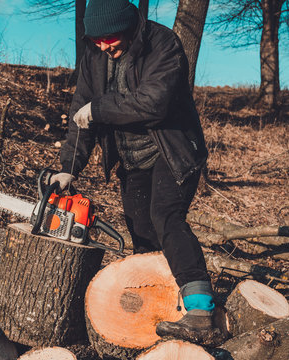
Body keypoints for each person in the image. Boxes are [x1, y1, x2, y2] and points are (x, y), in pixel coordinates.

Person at [52, 0, 221, 345]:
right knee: (140, 231)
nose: (103, 46)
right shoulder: (94, 59)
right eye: (96, 40)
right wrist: (69, 167)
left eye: (109, 38)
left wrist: (98, 109)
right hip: (131, 159)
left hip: (172, 151)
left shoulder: (163, 45)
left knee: (166, 217)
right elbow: (80, 117)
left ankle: (202, 311)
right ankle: (157, 309)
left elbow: (154, 103)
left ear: (127, 26)